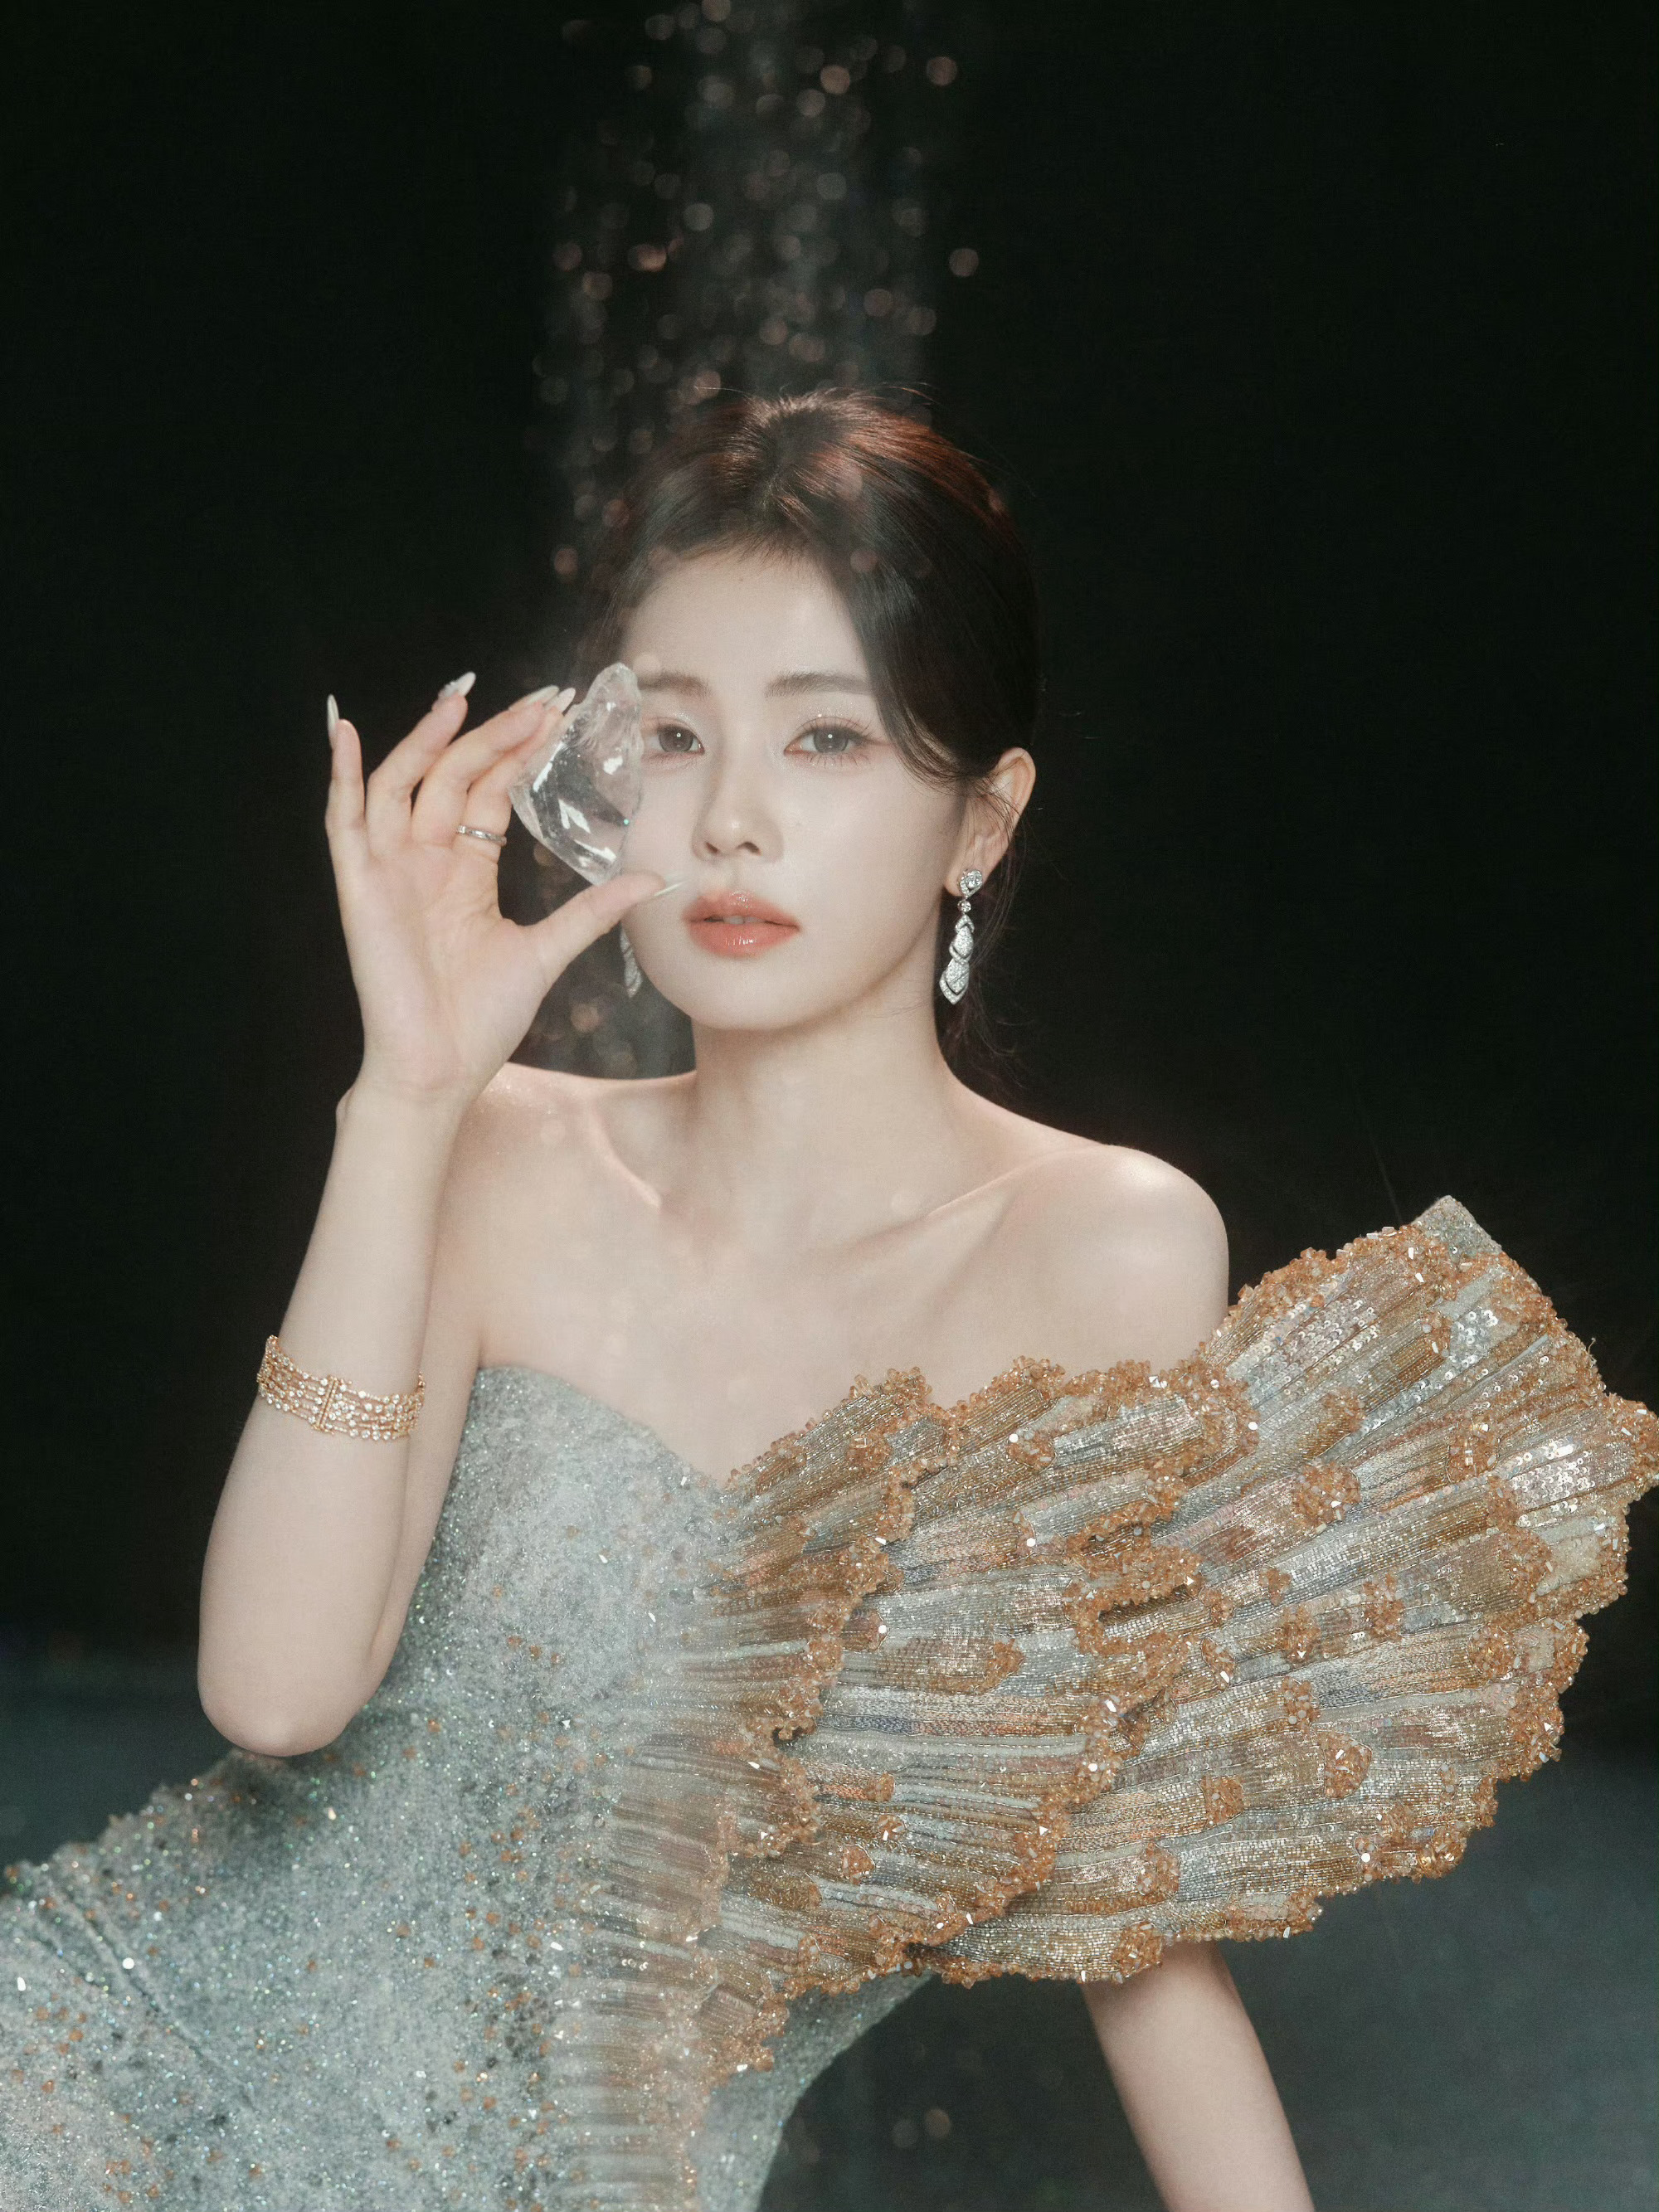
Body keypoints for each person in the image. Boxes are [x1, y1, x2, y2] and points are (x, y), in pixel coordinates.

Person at [2, 393, 1650, 2212]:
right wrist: (400, 1102)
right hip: (91, 2076)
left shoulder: (1097, 1257)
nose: (729, 821)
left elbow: (1127, 1891)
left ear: (979, 821)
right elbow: (273, 1691)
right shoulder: (496, 1148)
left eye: (828, 738)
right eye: (673, 734)